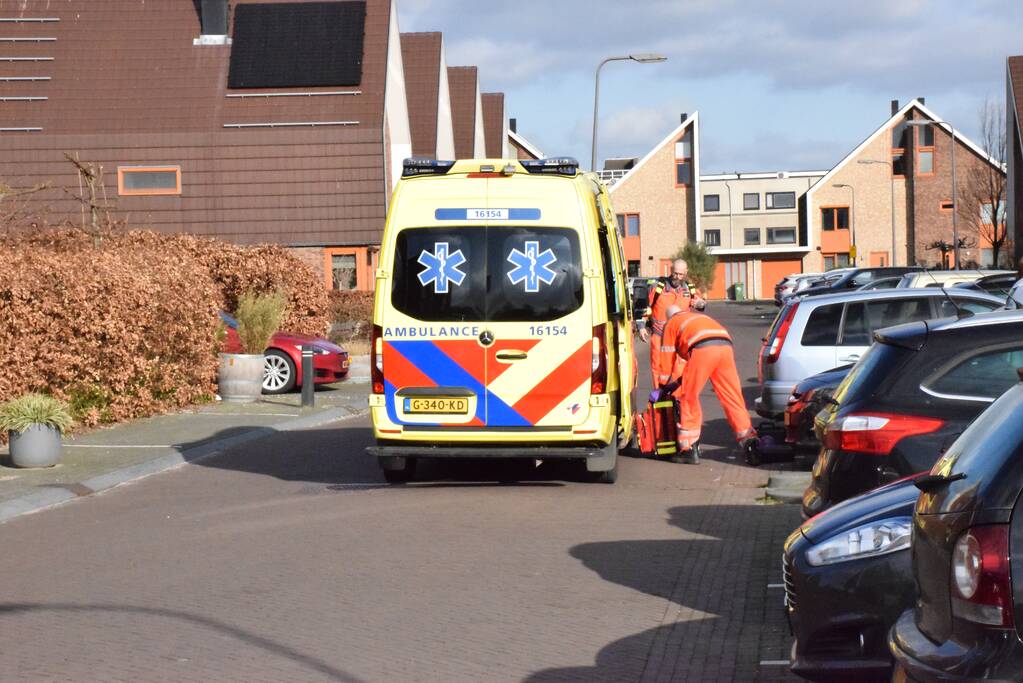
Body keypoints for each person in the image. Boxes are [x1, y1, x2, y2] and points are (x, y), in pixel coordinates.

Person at [658, 305, 757, 464]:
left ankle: (688, 449)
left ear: (669, 317)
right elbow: (693, 370)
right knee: (732, 395)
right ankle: (749, 441)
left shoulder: (671, 323)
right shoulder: (694, 317)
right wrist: (679, 382)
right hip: (724, 346)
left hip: (702, 348)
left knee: (688, 397)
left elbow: (666, 358)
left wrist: (662, 386)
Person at [638, 259, 705, 388]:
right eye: (675, 273)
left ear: (686, 273)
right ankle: (659, 397)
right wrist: (641, 326)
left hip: (681, 339)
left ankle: (678, 399)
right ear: (671, 270)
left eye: (681, 274)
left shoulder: (690, 289)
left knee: (681, 369)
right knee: (659, 369)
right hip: (660, 337)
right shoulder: (658, 288)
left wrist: (700, 304)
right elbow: (644, 308)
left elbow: (701, 305)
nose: (677, 277)